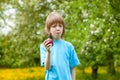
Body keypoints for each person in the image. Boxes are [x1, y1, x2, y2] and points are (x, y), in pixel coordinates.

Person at [40, 11, 80, 80]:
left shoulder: (69, 46)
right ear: (49, 29)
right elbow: (47, 67)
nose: (58, 28)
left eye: (60, 26)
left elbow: (73, 68)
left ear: (63, 28)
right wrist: (48, 52)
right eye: (54, 26)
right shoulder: (44, 46)